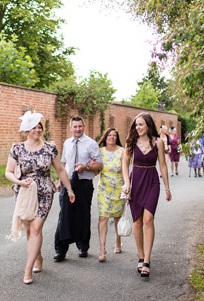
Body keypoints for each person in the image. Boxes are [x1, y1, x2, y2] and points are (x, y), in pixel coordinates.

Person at [6, 111, 74, 284]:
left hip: (44, 191)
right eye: (33, 127)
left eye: (39, 127)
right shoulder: (17, 148)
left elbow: (59, 169)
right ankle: (38, 257)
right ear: (27, 130)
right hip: (25, 192)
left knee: (36, 228)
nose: (37, 130)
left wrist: (69, 189)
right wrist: (20, 182)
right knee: (29, 230)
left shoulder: (49, 147)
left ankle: (27, 270)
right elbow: (8, 172)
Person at [121, 113, 171, 278]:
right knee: (137, 222)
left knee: (148, 219)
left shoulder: (158, 142)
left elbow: (163, 165)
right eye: (136, 125)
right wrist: (127, 182)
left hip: (152, 182)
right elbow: (125, 163)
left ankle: (147, 260)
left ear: (149, 125)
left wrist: (167, 188)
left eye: (141, 124)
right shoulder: (131, 142)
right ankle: (141, 256)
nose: (138, 128)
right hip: (136, 181)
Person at [53, 115, 103, 261]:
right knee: (64, 215)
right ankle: (60, 250)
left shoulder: (91, 144)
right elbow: (63, 164)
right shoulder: (67, 143)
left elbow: (99, 165)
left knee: (83, 215)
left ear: (84, 126)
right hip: (67, 183)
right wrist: (59, 181)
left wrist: (85, 167)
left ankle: (83, 246)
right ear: (70, 128)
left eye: (80, 126)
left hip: (83, 184)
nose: (77, 129)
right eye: (74, 126)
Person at [95, 127, 125, 262]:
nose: (112, 137)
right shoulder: (100, 152)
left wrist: (127, 188)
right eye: (109, 135)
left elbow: (125, 171)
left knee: (117, 218)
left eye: (114, 135)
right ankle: (102, 249)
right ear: (105, 137)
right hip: (104, 190)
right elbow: (95, 170)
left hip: (119, 189)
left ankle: (118, 241)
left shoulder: (122, 152)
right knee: (103, 218)